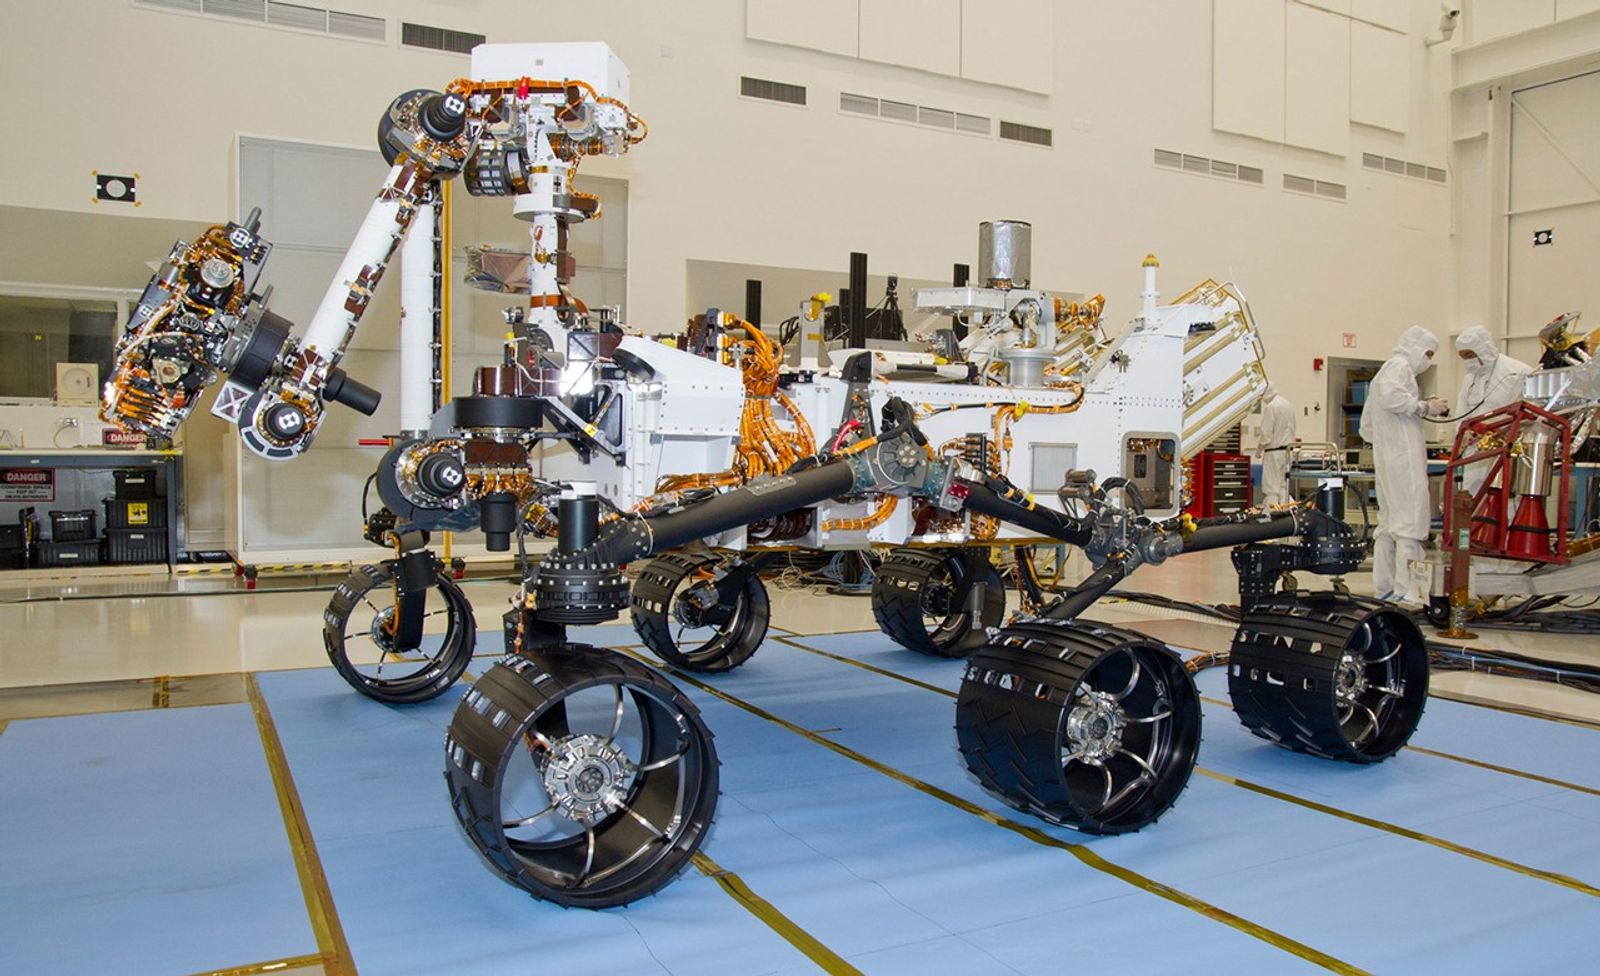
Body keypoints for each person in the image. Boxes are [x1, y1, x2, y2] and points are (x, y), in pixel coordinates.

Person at [1359, 326, 1449, 603]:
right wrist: (1423, 408)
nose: (1428, 361)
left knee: (1389, 525)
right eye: (1427, 353)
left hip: (1388, 457)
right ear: (1413, 347)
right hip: (1403, 458)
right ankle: (1408, 592)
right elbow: (1392, 396)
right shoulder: (1399, 367)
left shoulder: (1385, 371)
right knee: (1409, 523)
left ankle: (1385, 589)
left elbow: (1367, 427)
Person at [1454, 326, 1533, 494]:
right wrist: (1461, 437)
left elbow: (1530, 414)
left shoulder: (1518, 372)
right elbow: (1461, 411)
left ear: (1482, 349)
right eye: (1463, 357)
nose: (1468, 362)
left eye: (1470, 355)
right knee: (1472, 498)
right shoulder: (1470, 378)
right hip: (1475, 451)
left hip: (1507, 450)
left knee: (1506, 499)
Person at [1257, 382, 1296, 507]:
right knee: (1283, 486)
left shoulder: (1272, 407)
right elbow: (1292, 428)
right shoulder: (1288, 405)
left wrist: (1259, 449)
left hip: (1273, 452)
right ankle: (1290, 511)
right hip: (1287, 452)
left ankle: (1270, 515)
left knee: (1271, 489)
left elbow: (1266, 434)